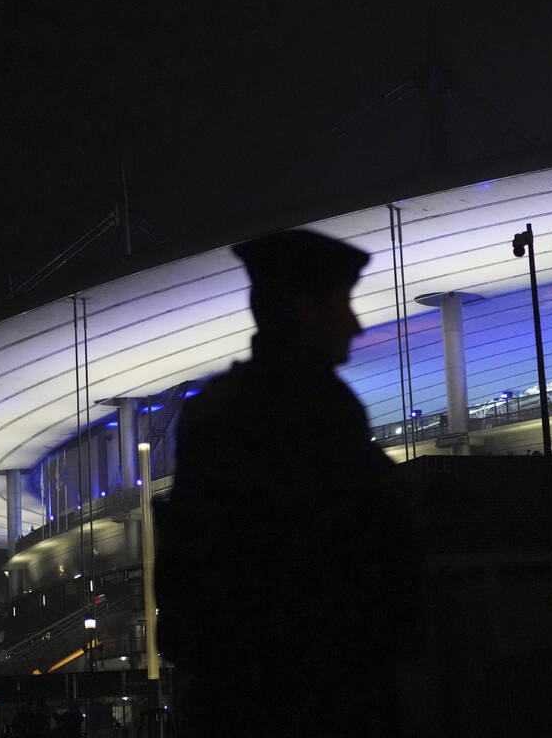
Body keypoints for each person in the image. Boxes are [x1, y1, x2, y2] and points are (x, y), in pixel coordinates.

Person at [156, 229, 423, 736]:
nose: (356, 324)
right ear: (303, 312)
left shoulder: (212, 410)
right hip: (322, 701)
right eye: (342, 305)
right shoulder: (321, 411)